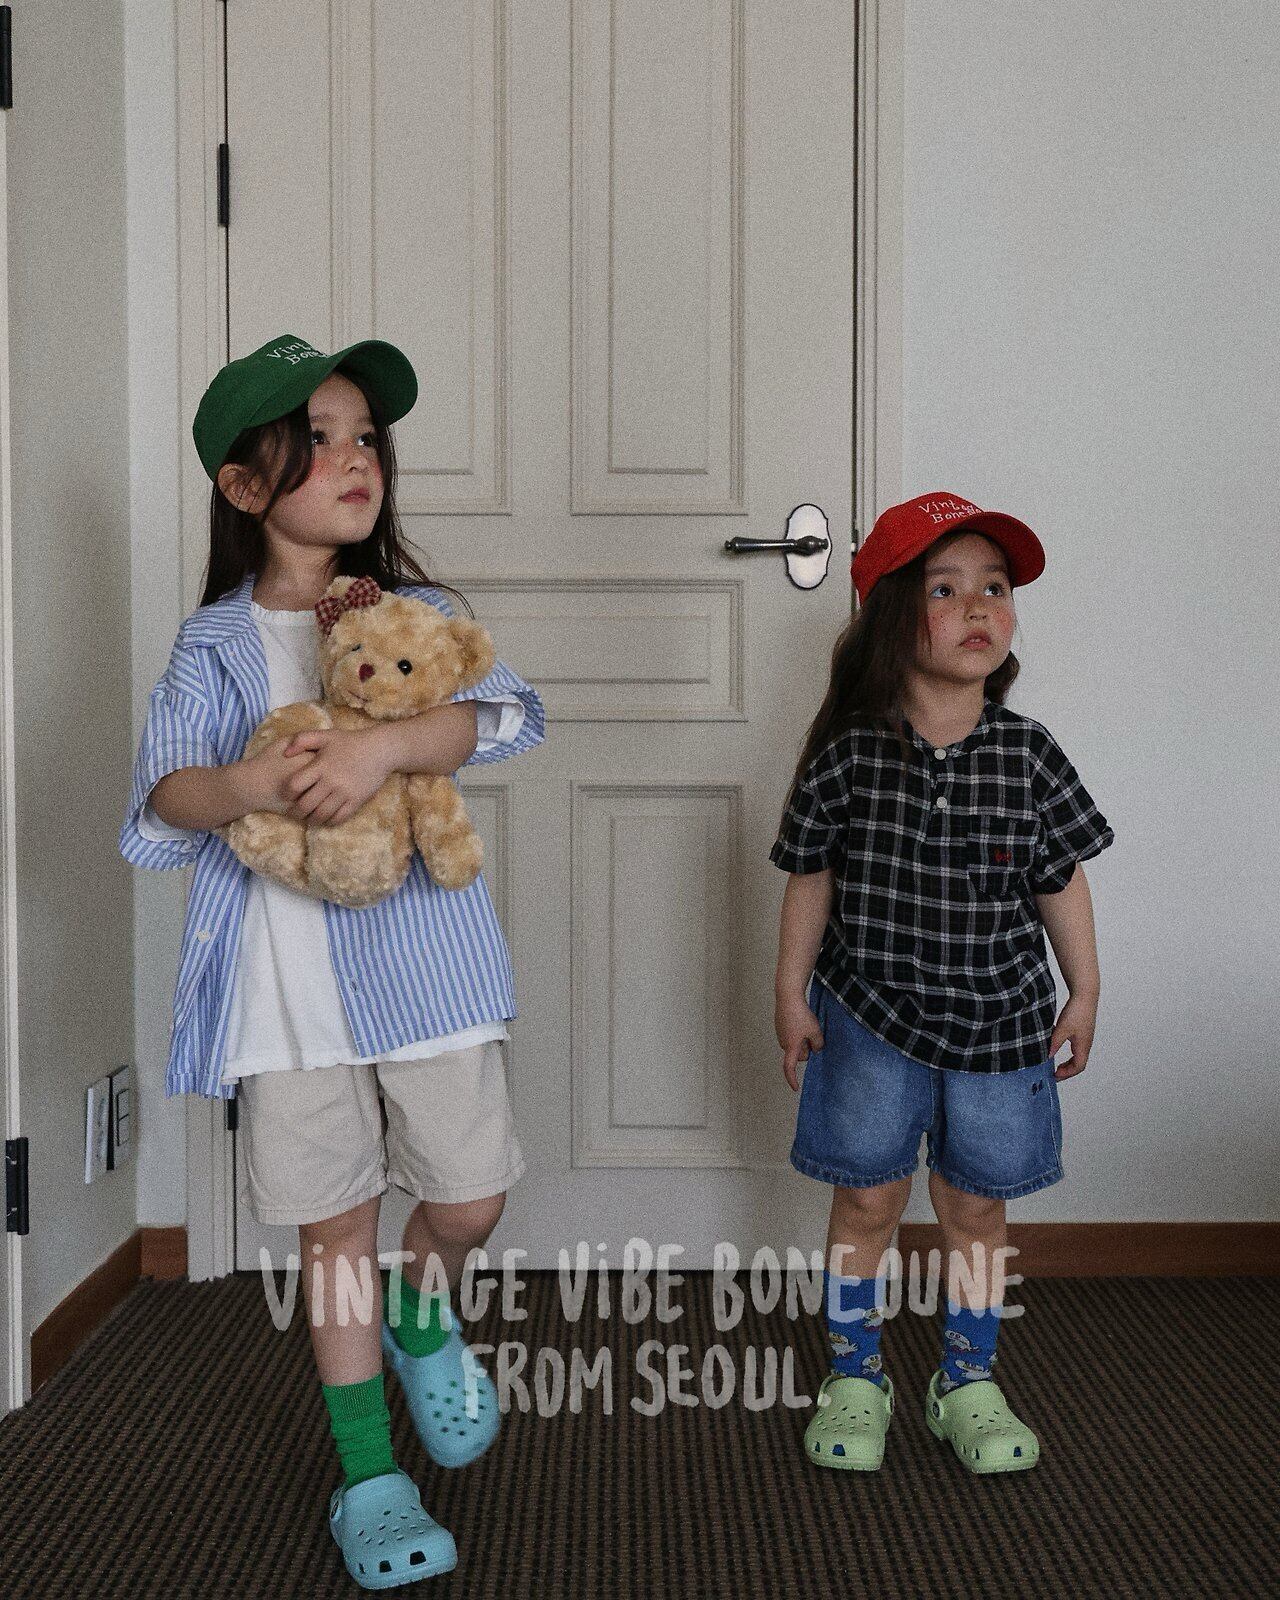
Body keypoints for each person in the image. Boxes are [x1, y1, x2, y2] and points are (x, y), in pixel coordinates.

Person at [120, 334, 545, 1586]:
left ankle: (424, 1309)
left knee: (468, 1196)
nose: (355, 458)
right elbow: (164, 800)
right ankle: (369, 1477)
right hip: (283, 992)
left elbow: (497, 714)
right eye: (317, 440)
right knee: (334, 1228)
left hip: (425, 966)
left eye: (366, 437)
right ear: (246, 486)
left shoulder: (417, 612)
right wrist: (253, 783)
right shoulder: (212, 644)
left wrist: (382, 749)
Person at [771, 491, 1113, 1475]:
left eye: (994, 589)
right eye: (945, 589)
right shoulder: (849, 751)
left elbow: (1059, 878)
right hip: (867, 1022)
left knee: (975, 1211)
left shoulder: (1028, 753)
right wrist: (789, 994)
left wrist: (1084, 990)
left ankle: (965, 1379)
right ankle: (854, 1375)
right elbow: (810, 877)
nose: (977, 608)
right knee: (866, 1203)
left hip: (1001, 1033)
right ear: (891, 616)